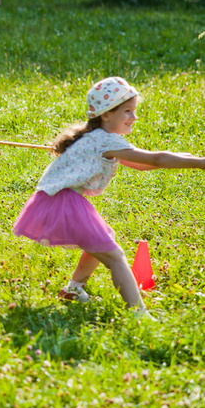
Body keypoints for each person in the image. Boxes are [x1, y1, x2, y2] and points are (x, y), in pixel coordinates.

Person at [12, 77, 205, 315]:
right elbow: (154, 159)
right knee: (115, 256)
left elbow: (145, 164)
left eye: (134, 111)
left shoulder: (96, 137)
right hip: (62, 201)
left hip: (57, 199)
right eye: (127, 111)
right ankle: (138, 314)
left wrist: (188, 160)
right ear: (105, 115)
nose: (133, 118)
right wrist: (198, 163)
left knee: (101, 240)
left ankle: (74, 289)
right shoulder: (106, 140)